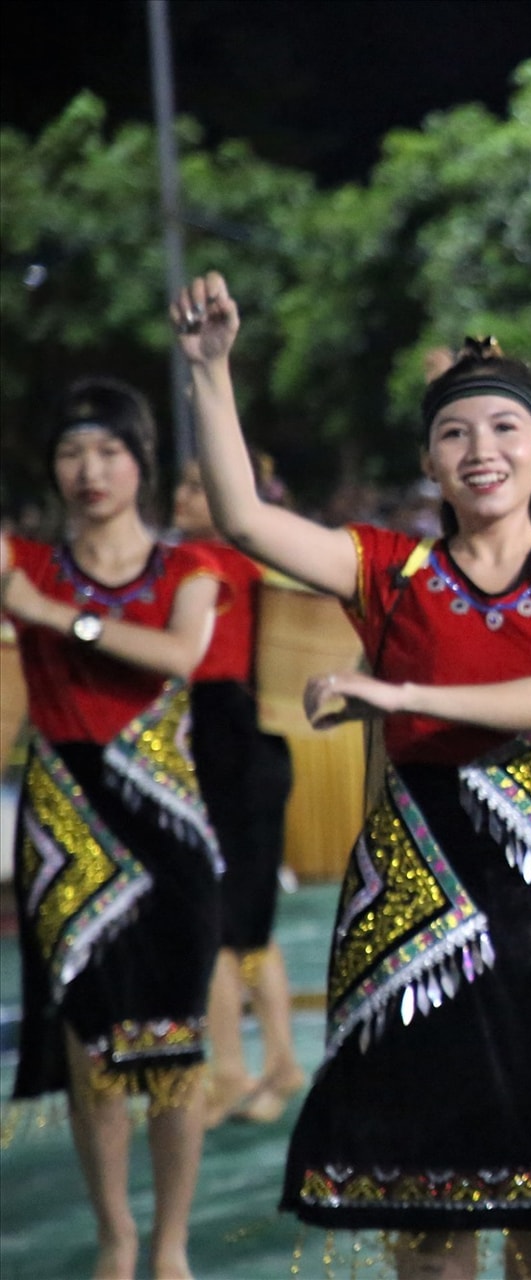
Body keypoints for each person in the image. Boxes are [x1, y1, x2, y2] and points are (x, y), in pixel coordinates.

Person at [174, 272, 531, 1279]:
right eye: (456, 434)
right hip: (409, 914)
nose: (483, 452)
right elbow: (248, 521)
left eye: (506, 428)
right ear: (429, 458)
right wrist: (211, 371)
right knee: (426, 1215)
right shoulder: (388, 566)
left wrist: (401, 697)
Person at [2, 377, 223, 1280]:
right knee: (90, 1047)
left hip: (168, 830)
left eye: (108, 451)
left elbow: (178, 655)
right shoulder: (23, 557)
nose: (88, 471)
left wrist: (59, 618)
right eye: (69, 452)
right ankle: (115, 1238)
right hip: (63, 824)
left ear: (142, 462)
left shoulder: (188, 571)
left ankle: (169, 1245)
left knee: (173, 1048)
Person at [170, 460, 303, 1126]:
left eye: (199, 485)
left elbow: (187, 658)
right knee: (235, 927)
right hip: (235, 748)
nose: (183, 495)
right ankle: (255, 1064)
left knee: (229, 929)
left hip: (231, 748)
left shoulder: (211, 563)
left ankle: (250, 1068)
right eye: (184, 484)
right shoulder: (243, 560)